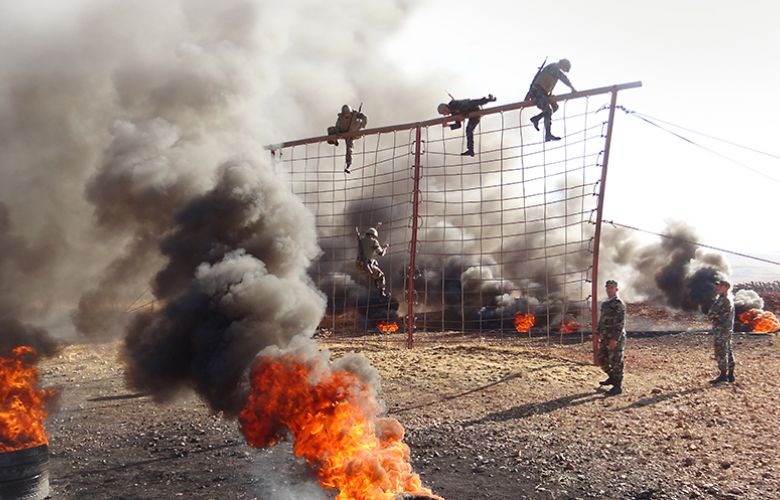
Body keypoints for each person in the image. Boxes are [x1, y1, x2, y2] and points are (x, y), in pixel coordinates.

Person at [526, 58, 576, 142]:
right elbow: (563, 78)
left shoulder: (554, 70)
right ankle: (547, 134)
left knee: (554, 108)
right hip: (537, 91)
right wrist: (572, 88)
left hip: (542, 92)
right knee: (548, 111)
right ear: (563, 65)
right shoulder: (554, 67)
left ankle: (537, 119)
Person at [596, 279, 626, 396]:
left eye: (611, 288)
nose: (609, 290)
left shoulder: (618, 304)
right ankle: (612, 378)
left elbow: (620, 323)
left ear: (616, 289)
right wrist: (598, 333)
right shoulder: (605, 303)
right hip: (605, 337)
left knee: (616, 361)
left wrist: (615, 339)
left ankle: (617, 386)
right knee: (602, 359)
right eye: (607, 288)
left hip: (615, 338)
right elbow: (602, 320)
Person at [707, 278, 736, 384]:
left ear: (725, 287)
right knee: (728, 350)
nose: (717, 288)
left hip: (721, 329)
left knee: (720, 351)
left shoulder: (723, 300)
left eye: (720, 286)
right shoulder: (728, 298)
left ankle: (723, 375)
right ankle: (730, 374)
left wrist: (713, 315)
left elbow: (711, 314)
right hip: (727, 329)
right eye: (717, 286)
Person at [327, 104, 368, 173]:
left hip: (351, 134)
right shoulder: (341, 117)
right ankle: (334, 141)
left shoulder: (356, 115)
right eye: (345, 115)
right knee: (330, 130)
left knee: (349, 150)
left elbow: (364, 120)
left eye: (348, 114)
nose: (346, 116)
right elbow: (338, 125)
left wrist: (361, 123)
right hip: (342, 132)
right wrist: (337, 133)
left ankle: (348, 165)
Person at [355, 224, 389, 297]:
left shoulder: (361, 240)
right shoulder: (374, 242)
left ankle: (375, 285)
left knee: (375, 263)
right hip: (366, 266)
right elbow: (381, 253)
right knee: (382, 276)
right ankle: (382, 293)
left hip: (358, 265)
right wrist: (385, 248)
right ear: (374, 236)